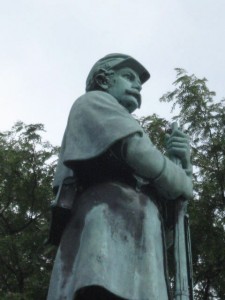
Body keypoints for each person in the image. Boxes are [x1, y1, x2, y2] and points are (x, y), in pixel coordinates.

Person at [47, 53, 192, 300]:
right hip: (107, 218)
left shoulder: (124, 122)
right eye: (128, 76)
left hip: (137, 231)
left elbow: (169, 203)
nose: (137, 85)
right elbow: (139, 154)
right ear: (104, 80)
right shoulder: (94, 102)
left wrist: (182, 164)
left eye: (139, 82)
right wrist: (180, 178)